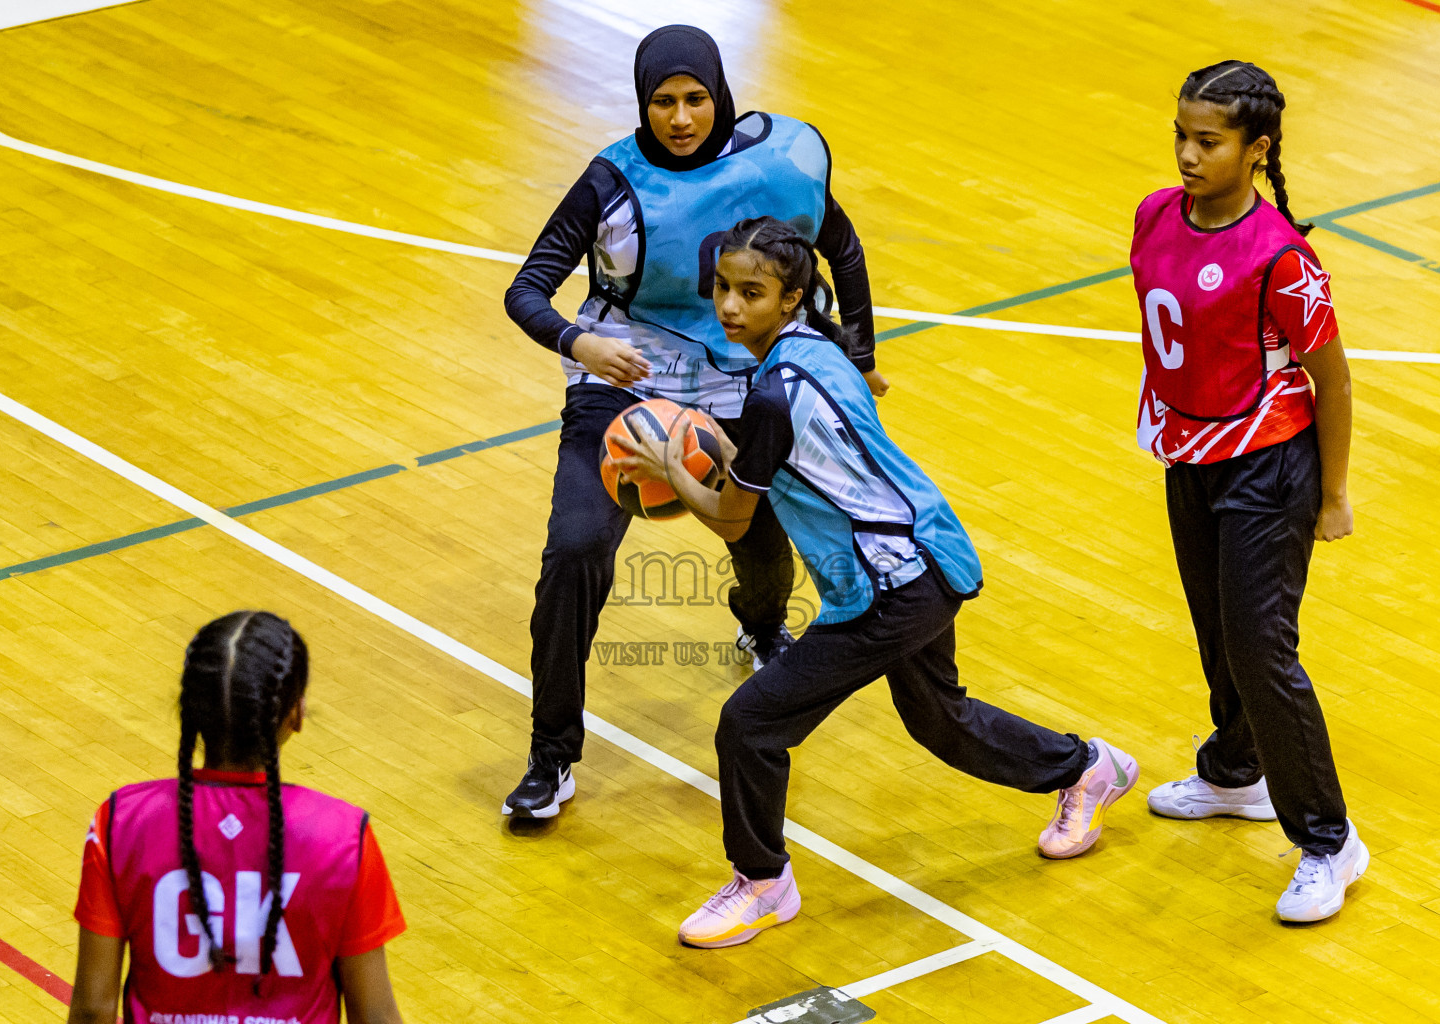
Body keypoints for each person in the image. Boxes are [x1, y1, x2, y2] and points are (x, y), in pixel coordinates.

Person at [613, 216, 1138, 948]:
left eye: (752, 293)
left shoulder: (770, 396)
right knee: (939, 720)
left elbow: (733, 521)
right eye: (724, 289)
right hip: (926, 551)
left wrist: (673, 471)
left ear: (790, 297)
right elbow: (780, 467)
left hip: (892, 589)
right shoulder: (811, 352)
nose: (731, 306)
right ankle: (1087, 768)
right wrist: (715, 447)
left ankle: (762, 884)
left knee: (750, 724)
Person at [501, 24, 887, 820]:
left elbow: (840, 249)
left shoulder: (778, 162)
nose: (680, 117)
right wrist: (583, 342)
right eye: (663, 102)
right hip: (626, 379)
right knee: (574, 550)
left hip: (740, 376)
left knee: (760, 538)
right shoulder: (612, 179)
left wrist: (859, 349)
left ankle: (761, 626)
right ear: (643, 105)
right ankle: (551, 755)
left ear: (721, 95)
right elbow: (527, 289)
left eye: (696, 99)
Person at [1131, 60, 1366, 923]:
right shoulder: (1155, 215)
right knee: (1217, 629)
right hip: (1190, 456)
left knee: (1264, 649)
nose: (1189, 156)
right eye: (1182, 137)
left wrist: (1332, 494)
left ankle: (1329, 842)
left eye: (1209, 141)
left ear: (1256, 149)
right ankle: (1236, 773)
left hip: (1271, 467)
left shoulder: (1282, 259)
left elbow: (1332, 382)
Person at [67, 612, 407, 1024]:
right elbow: (374, 1016)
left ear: (188, 710)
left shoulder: (122, 820)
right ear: (296, 715)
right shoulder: (343, 835)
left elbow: (92, 1008)